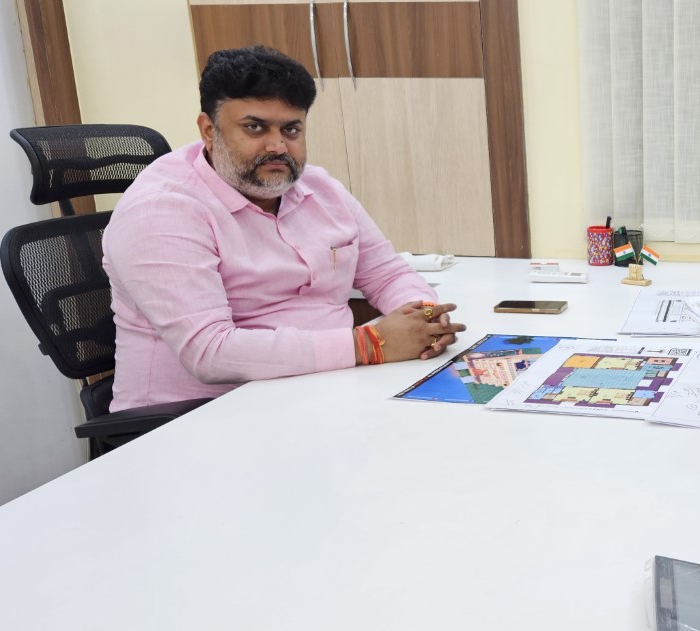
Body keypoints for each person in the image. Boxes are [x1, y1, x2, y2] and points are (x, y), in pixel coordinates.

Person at [103, 46, 465, 411]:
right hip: (201, 418)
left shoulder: (320, 188)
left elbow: (386, 274)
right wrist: (368, 344)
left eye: (291, 129)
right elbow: (210, 352)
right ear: (209, 130)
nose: (278, 146)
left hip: (326, 392)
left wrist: (425, 318)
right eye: (255, 127)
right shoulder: (161, 209)